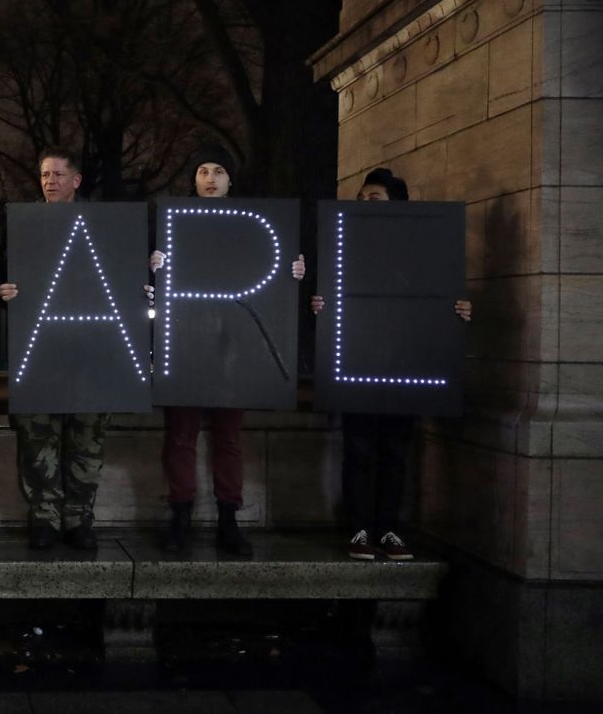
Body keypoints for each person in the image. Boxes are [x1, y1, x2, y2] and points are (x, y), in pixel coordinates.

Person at [149, 144, 306, 557]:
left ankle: (227, 518)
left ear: (230, 179)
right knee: (181, 437)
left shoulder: (248, 225)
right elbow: (147, 280)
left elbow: (271, 279)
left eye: (218, 170)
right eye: (203, 170)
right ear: (193, 179)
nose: (211, 178)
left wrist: (293, 271)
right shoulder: (172, 225)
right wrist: (151, 266)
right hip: (186, 342)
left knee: (227, 438)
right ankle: (182, 516)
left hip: (233, 347)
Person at [310, 167, 472, 561]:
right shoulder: (345, 244)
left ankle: (388, 529)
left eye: (375, 199)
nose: (365, 204)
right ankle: (362, 529)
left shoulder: (417, 249)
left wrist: (458, 310)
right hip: (359, 364)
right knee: (360, 450)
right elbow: (330, 292)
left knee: (395, 453)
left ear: (397, 206)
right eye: (362, 198)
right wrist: (321, 305)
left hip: (403, 366)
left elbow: (436, 295)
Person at [0, 147, 111, 551]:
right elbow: (0, 279)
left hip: (90, 349)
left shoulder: (102, 224)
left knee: (86, 436)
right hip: (38, 348)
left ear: (76, 180)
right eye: (44, 174)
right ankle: (44, 517)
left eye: (58, 174)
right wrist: (2, 290)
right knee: (37, 436)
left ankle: (79, 518)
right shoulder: (22, 222)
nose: (50, 182)